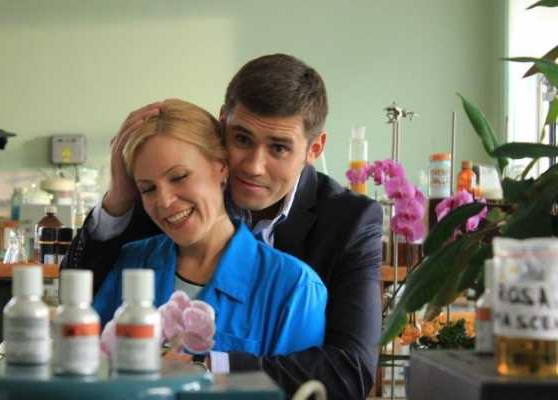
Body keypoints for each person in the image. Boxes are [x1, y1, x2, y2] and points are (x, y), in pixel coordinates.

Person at [63, 54, 383, 400]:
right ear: (222, 128)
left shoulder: (333, 242)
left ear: (313, 148)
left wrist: (202, 367)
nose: (253, 166)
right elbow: (76, 306)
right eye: (242, 139)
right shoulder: (158, 205)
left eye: (278, 148)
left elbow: (347, 372)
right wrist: (119, 196)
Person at [92, 99, 327, 357]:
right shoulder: (133, 262)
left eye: (179, 177)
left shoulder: (294, 287)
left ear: (221, 167)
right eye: (148, 189)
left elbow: (297, 381)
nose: (164, 202)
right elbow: (88, 365)